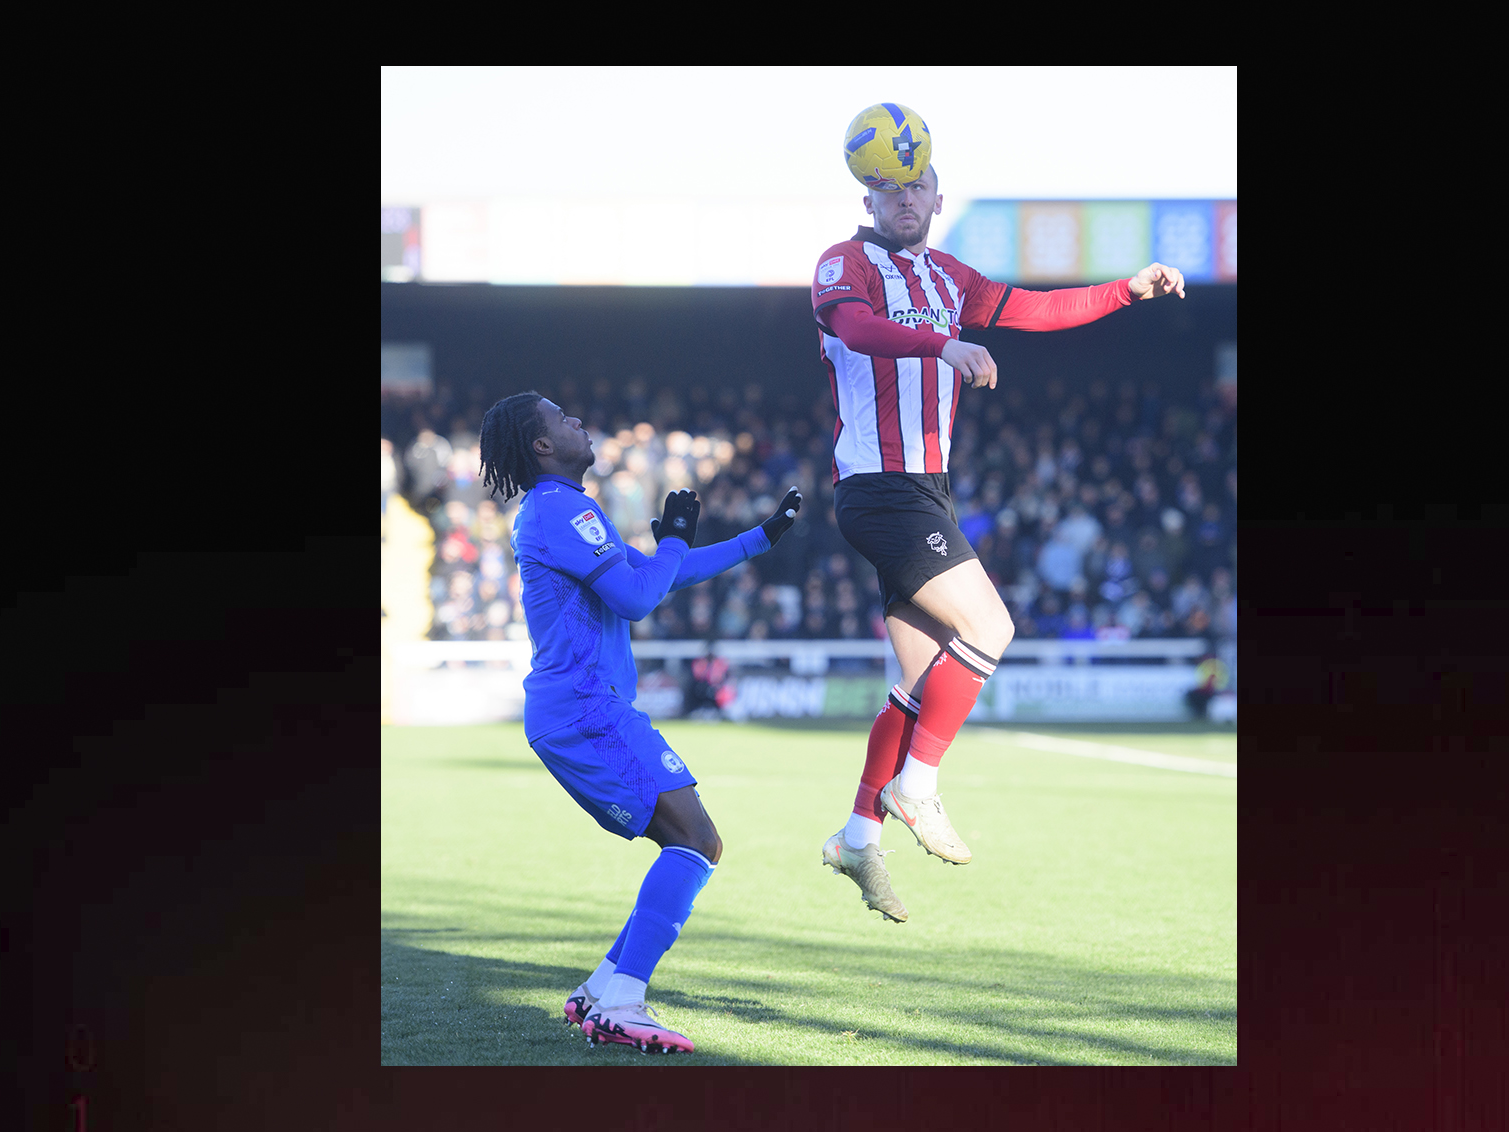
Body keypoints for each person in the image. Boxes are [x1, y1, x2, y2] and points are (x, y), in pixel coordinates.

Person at [810, 163, 1186, 922]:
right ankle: (917, 788)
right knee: (990, 627)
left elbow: (1037, 309)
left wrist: (1127, 290)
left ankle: (858, 838)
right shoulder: (843, 263)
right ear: (868, 198)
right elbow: (854, 328)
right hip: (879, 486)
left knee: (921, 682)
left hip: (927, 490)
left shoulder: (950, 276)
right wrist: (943, 346)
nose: (905, 198)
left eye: (917, 186)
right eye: (891, 188)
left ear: (937, 199)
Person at [478, 390, 801, 1055]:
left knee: (688, 841)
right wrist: (675, 540)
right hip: (586, 709)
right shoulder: (560, 509)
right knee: (697, 840)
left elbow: (656, 575)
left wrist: (758, 539)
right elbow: (636, 597)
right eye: (561, 418)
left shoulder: (561, 508)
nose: (577, 420)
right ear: (542, 445)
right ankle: (623, 1001)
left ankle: (600, 991)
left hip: (582, 709)